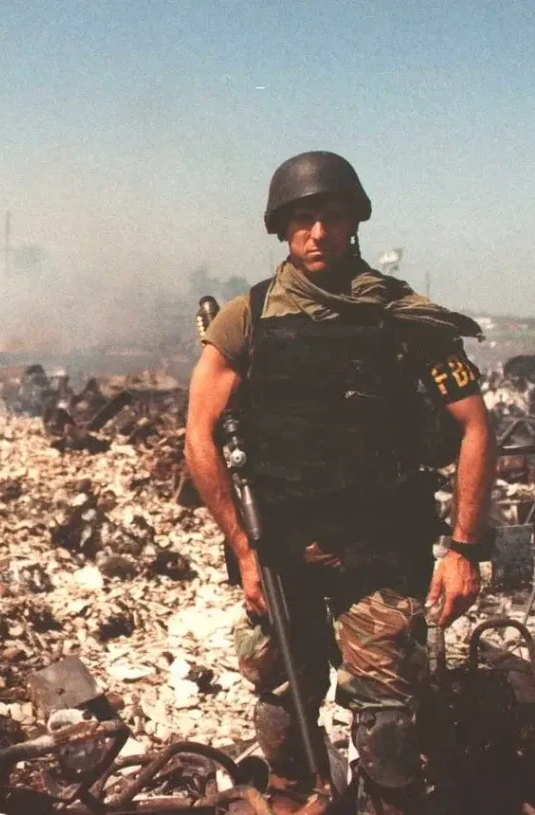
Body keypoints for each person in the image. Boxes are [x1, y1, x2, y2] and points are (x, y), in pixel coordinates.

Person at [184, 151, 496, 815]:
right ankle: (295, 797)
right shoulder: (247, 319)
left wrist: (464, 551)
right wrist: (243, 550)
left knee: (387, 725)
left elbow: (474, 428)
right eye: (303, 219)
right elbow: (198, 435)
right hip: (279, 553)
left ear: (356, 220)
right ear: (282, 229)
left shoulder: (405, 317)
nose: (319, 232)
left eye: (332, 216)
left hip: (380, 549)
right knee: (280, 697)